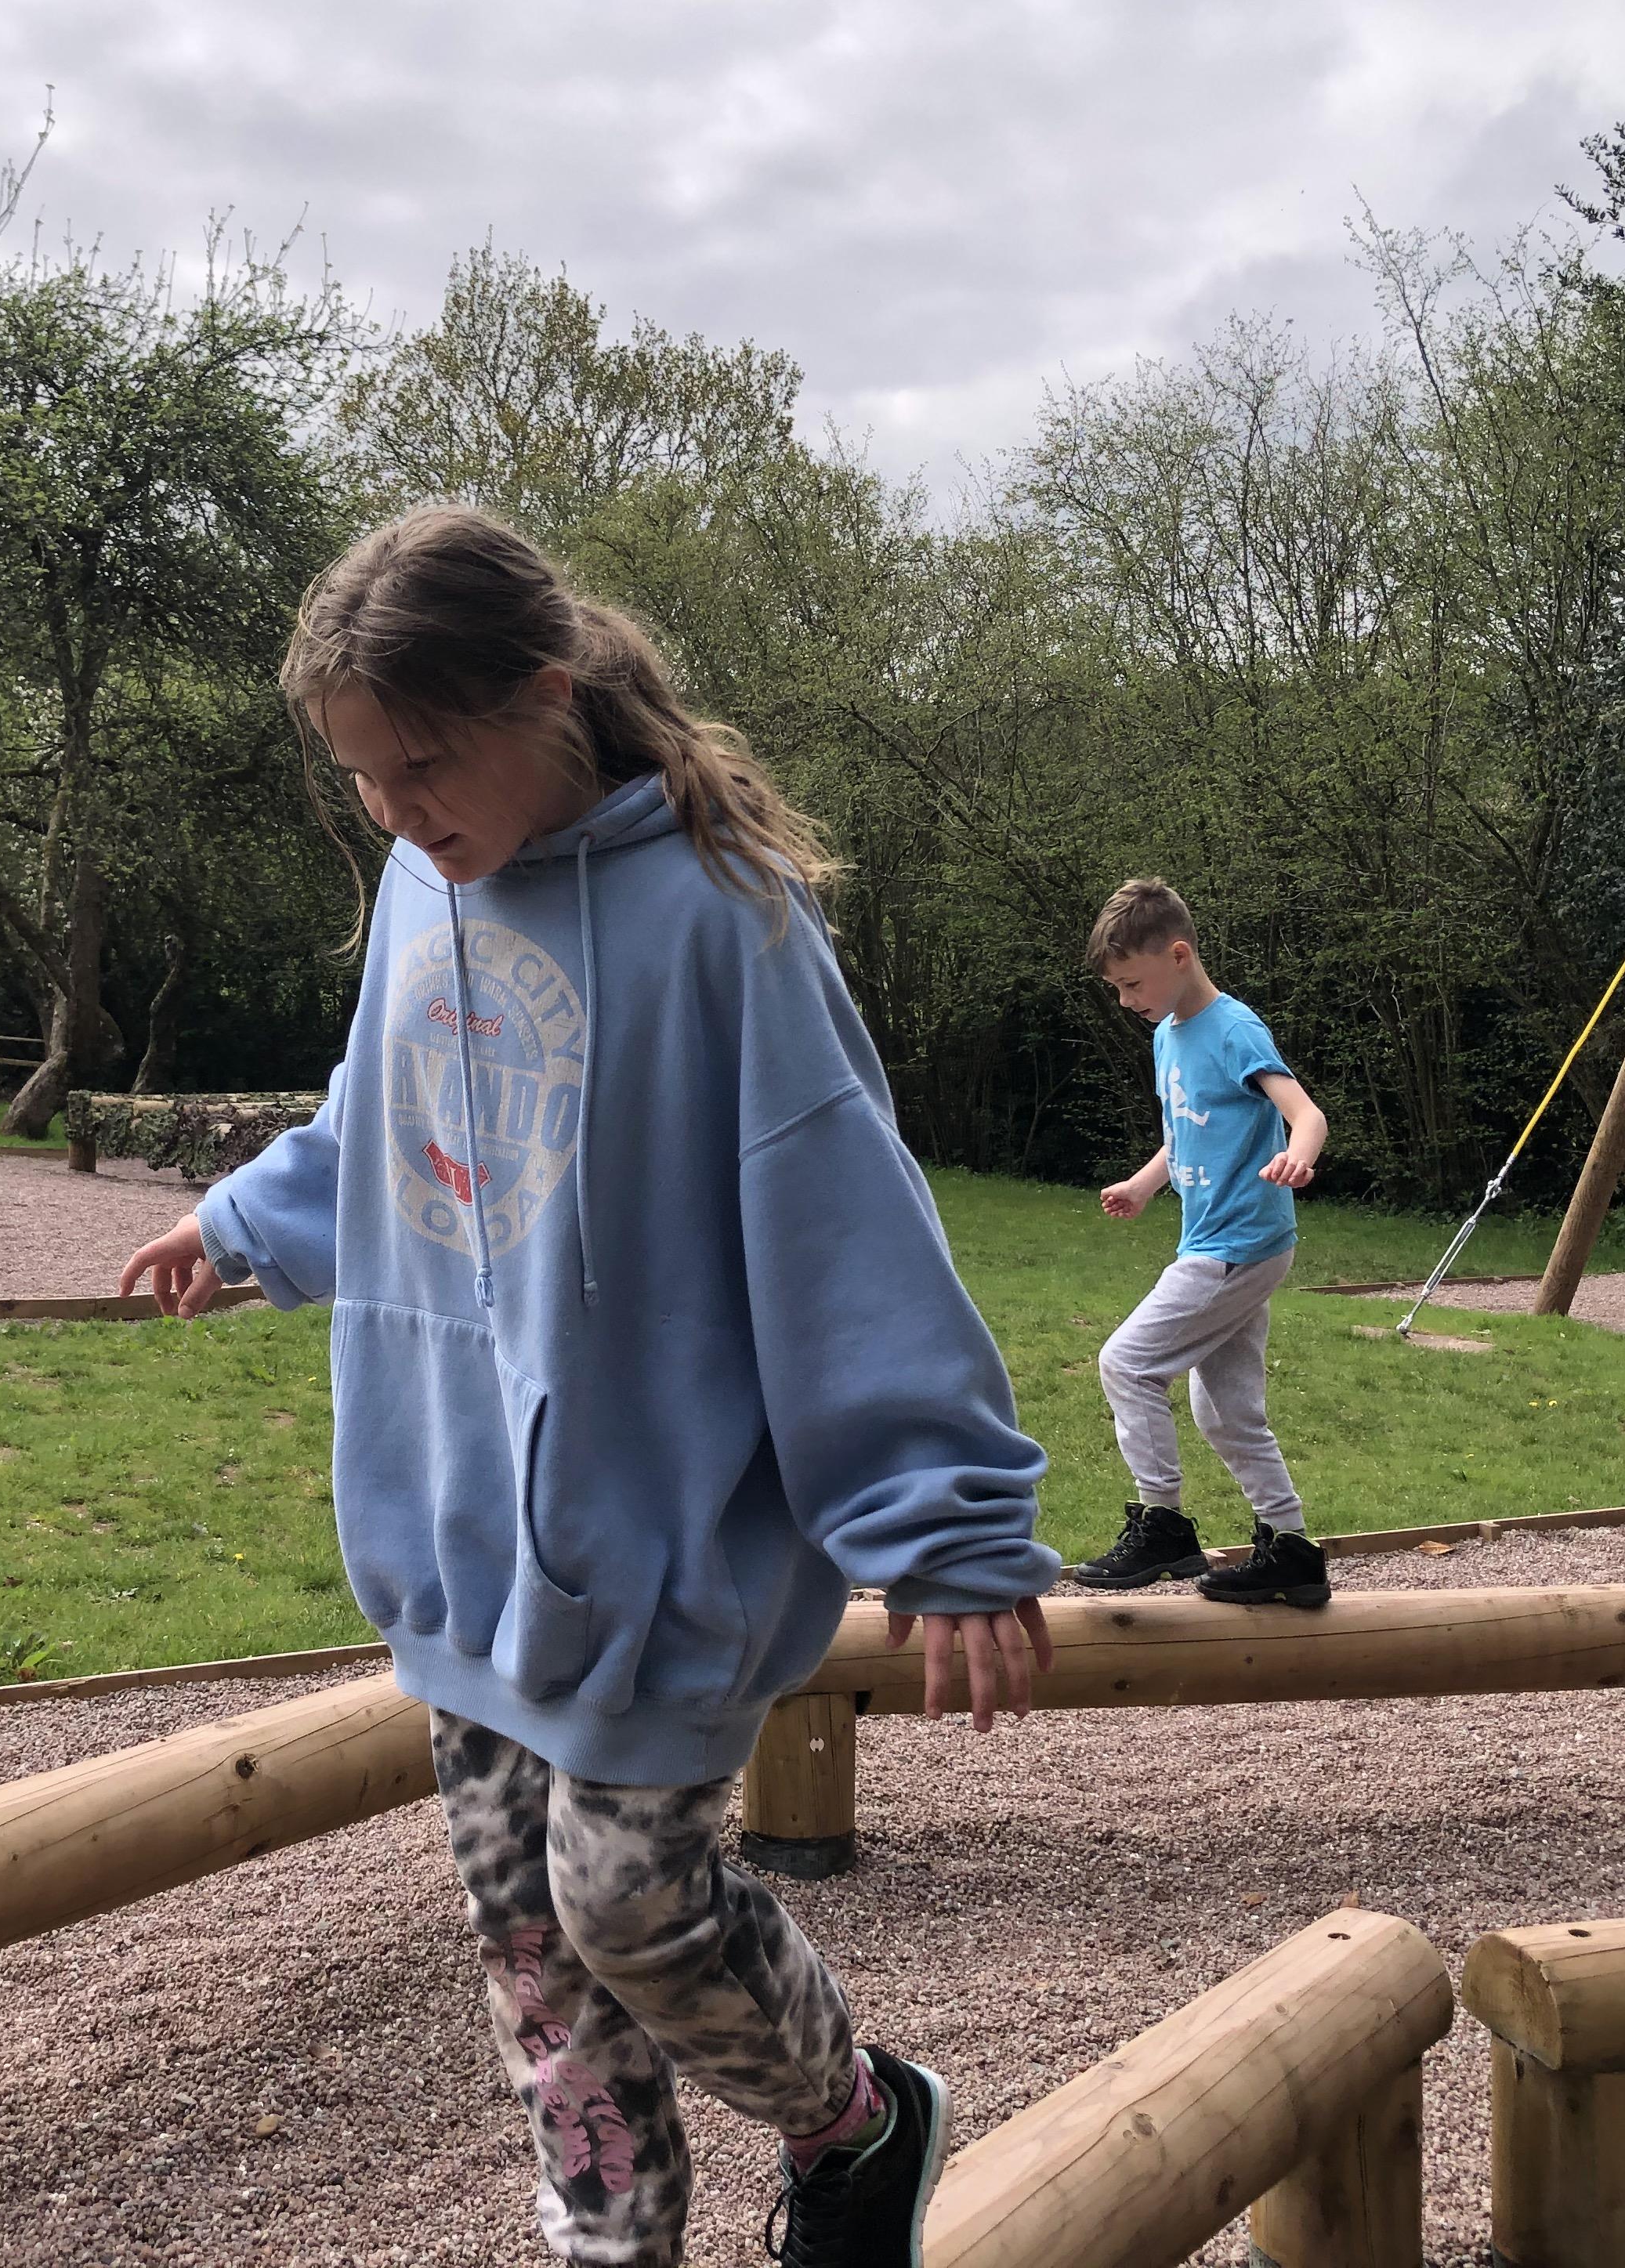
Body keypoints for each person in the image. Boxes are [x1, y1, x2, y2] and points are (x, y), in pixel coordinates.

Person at [118, 507, 1060, 2268]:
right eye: (361, 776)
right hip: (458, 1524)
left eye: (421, 763)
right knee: (528, 1948)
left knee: (623, 1901)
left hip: (655, 1544)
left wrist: (944, 1524)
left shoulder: (723, 916)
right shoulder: (424, 884)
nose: (394, 811)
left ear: (544, 696)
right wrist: (240, 1220)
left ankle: (858, 2126)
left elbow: (842, 1219)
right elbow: (388, 1113)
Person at [1071, 877, 1332, 1607]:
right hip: (1220, 1240)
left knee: (1127, 1363)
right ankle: (1292, 1552)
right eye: (1117, 988)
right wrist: (1144, 1184)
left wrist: (1298, 1157)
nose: (1125, 1000)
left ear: (1179, 956)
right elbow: (1186, 1132)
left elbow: (1306, 1114)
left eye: (1132, 983)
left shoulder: (1234, 1029)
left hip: (1238, 1244)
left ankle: (1163, 1525)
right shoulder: (1168, 1035)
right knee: (1226, 1412)